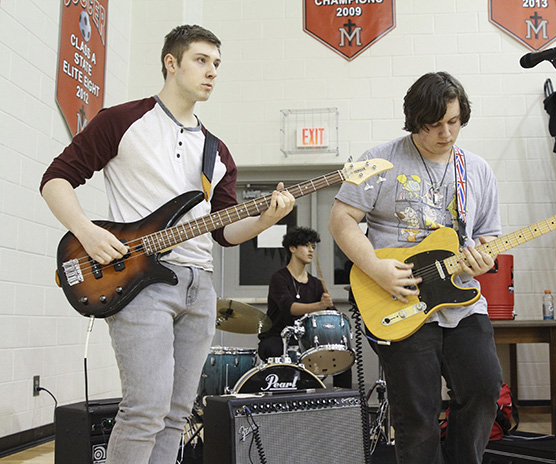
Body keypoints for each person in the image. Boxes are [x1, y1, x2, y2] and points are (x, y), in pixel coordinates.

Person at [40, 25, 295, 464]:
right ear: (170, 62)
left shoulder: (218, 152)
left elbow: (223, 232)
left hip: (201, 287)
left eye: (217, 64)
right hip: (141, 281)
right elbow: (55, 179)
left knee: (176, 414)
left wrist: (265, 220)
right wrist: (87, 231)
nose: (212, 71)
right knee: (146, 410)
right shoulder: (123, 121)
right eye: (201, 60)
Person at [329, 71, 503, 463]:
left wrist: (484, 257)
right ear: (414, 120)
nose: (446, 133)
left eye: (454, 122)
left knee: (484, 390)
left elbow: (489, 234)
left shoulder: (476, 170)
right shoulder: (380, 161)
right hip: (400, 300)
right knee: (418, 417)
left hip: (461, 303)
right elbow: (341, 220)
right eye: (434, 124)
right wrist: (375, 267)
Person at [258, 227, 352, 388]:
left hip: (306, 340)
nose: (311, 250)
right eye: (306, 246)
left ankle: (343, 401)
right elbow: (289, 308)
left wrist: (329, 308)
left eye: (313, 247)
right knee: (274, 348)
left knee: (341, 356)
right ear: (292, 248)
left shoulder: (315, 283)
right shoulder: (279, 278)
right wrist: (319, 305)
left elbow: (330, 312)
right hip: (279, 338)